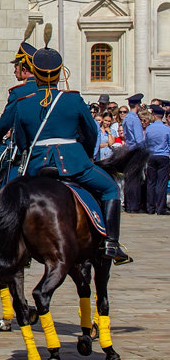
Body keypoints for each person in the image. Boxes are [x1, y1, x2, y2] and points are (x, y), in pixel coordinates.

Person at [10, 47, 131, 264]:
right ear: (59, 73)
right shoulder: (73, 100)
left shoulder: (24, 102)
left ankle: (13, 242)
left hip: (37, 165)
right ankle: (111, 243)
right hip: (74, 162)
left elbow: (21, 141)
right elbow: (91, 133)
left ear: (35, 74)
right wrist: (84, 155)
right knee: (110, 188)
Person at [0, 37, 38, 204]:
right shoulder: (47, 90)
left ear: (24, 68)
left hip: (21, 148)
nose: (14, 70)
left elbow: (5, 123)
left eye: (16, 66)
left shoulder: (19, 92)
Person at [122, 93, 145, 212]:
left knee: (129, 179)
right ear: (138, 105)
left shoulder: (126, 118)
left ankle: (129, 204)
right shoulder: (135, 119)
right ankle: (134, 206)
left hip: (128, 150)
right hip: (135, 151)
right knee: (135, 180)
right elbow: (139, 139)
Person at [144, 105, 170, 215]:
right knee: (162, 183)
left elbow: (146, 143)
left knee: (150, 182)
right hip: (163, 156)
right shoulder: (167, 129)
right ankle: (160, 208)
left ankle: (150, 208)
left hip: (151, 156)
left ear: (154, 115)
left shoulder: (149, 128)